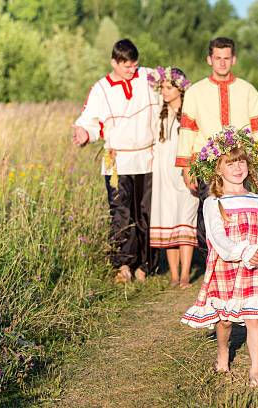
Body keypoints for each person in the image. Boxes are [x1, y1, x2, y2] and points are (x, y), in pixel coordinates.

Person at [181, 127, 258, 388]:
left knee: (254, 317)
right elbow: (218, 238)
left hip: (256, 267)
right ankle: (222, 353)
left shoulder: (257, 200)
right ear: (218, 169)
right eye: (230, 163)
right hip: (227, 265)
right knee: (226, 321)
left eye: (241, 161)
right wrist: (242, 251)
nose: (238, 167)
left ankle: (255, 371)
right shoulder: (213, 202)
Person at [175, 37, 258, 250]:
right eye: (217, 58)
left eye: (226, 58)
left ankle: (244, 260)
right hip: (208, 165)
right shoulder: (196, 92)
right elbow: (187, 130)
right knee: (210, 215)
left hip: (241, 163)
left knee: (242, 212)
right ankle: (211, 263)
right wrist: (186, 167)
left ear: (234, 59)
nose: (222, 62)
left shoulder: (247, 90)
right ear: (209, 59)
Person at [72, 39, 158, 283]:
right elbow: (90, 119)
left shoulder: (148, 77)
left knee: (146, 212)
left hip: (147, 157)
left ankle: (146, 264)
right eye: (126, 66)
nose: (132, 70)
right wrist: (83, 134)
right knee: (121, 213)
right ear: (114, 62)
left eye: (134, 65)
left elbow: (175, 83)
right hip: (116, 159)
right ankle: (123, 266)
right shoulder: (100, 88)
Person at [147, 67, 198, 288]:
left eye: (169, 87)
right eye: (163, 88)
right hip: (163, 174)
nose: (165, 92)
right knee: (167, 218)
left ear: (180, 87)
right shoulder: (159, 114)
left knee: (186, 219)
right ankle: (174, 276)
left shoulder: (190, 112)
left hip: (185, 172)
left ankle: (186, 274)